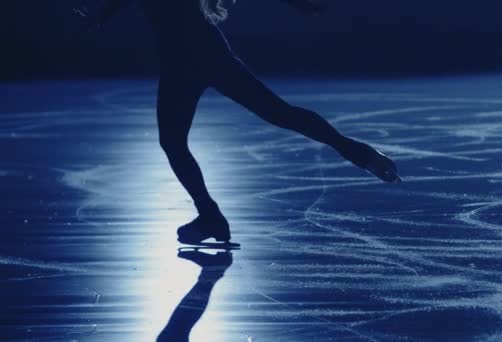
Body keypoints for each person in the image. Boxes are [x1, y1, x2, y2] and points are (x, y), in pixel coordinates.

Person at [75, 0, 401, 244]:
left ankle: (210, 217)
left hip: (184, 58)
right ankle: (362, 154)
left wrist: (101, 16)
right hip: (205, 51)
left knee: (175, 143)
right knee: (279, 113)